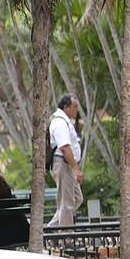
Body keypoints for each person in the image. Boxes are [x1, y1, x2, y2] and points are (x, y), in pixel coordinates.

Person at [48, 95, 83, 227]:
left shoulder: (65, 121)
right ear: (66, 107)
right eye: (74, 106)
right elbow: (64, 147)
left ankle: (51, 229)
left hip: (67, 164)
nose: (76, 110)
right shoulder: (59, 122)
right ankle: (66, 235)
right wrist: (76, 169)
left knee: (77, 198)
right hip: (63, 163)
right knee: (67, 203)